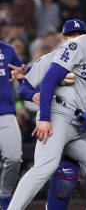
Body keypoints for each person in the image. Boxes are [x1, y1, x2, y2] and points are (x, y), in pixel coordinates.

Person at [8, 0, 86, 210]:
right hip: (58, 116)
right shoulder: (77, 44)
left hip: (77, 122)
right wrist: (44, 119)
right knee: (45, 167)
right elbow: (50, 80)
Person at [0, 40, 24, 209]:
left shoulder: (7, 50)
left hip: (5, 113)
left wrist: (24, 73)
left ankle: (4, 195)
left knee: (14, 158)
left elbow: (23, 76)